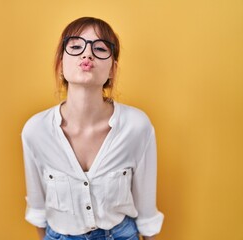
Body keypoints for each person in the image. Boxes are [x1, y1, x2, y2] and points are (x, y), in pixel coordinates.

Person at [21, 17, 164, 240]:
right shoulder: (36, 130)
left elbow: (147, 216)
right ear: (60, 64)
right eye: (76, 46)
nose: (87, 55)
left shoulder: (137, 126)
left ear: (112, 70)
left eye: (99, 49)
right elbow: (38, 212)